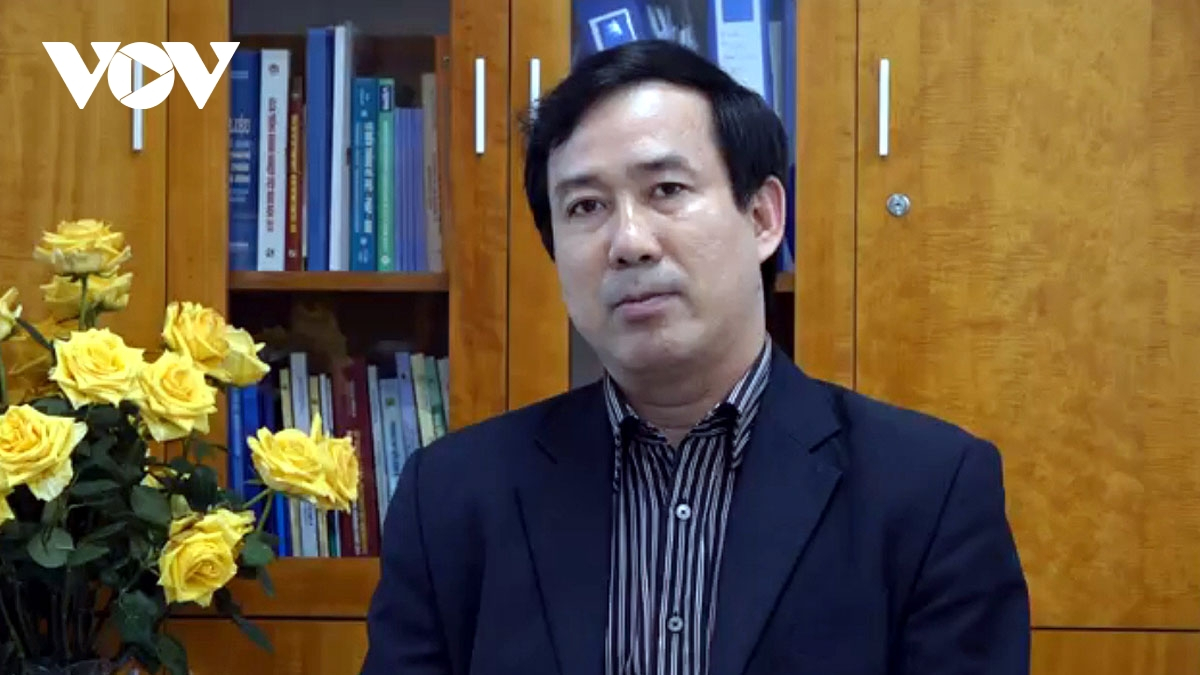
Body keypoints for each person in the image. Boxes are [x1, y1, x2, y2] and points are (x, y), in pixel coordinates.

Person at [360, 39, 1030, 675]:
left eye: (667, 190)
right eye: (586, 206)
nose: (629, 242)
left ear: (763, 218)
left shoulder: (930, 491)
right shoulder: (449, 498)